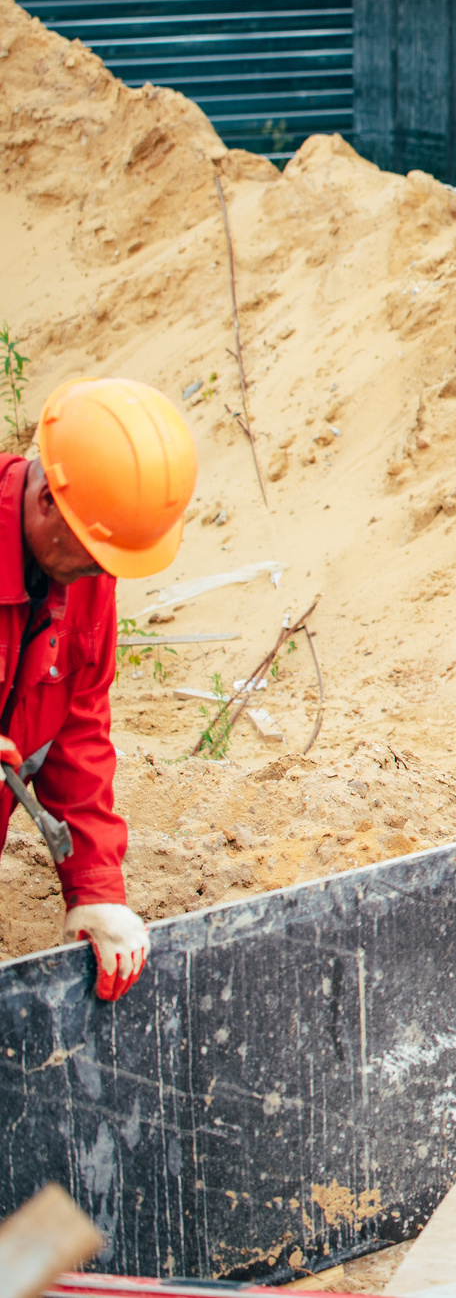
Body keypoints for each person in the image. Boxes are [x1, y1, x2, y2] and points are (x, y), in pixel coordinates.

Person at [3, 378, 197, 1000]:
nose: (101, 575)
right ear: (46, 503)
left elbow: (78, 725)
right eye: (94, 558)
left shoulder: (84, 561)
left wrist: (94, 887)